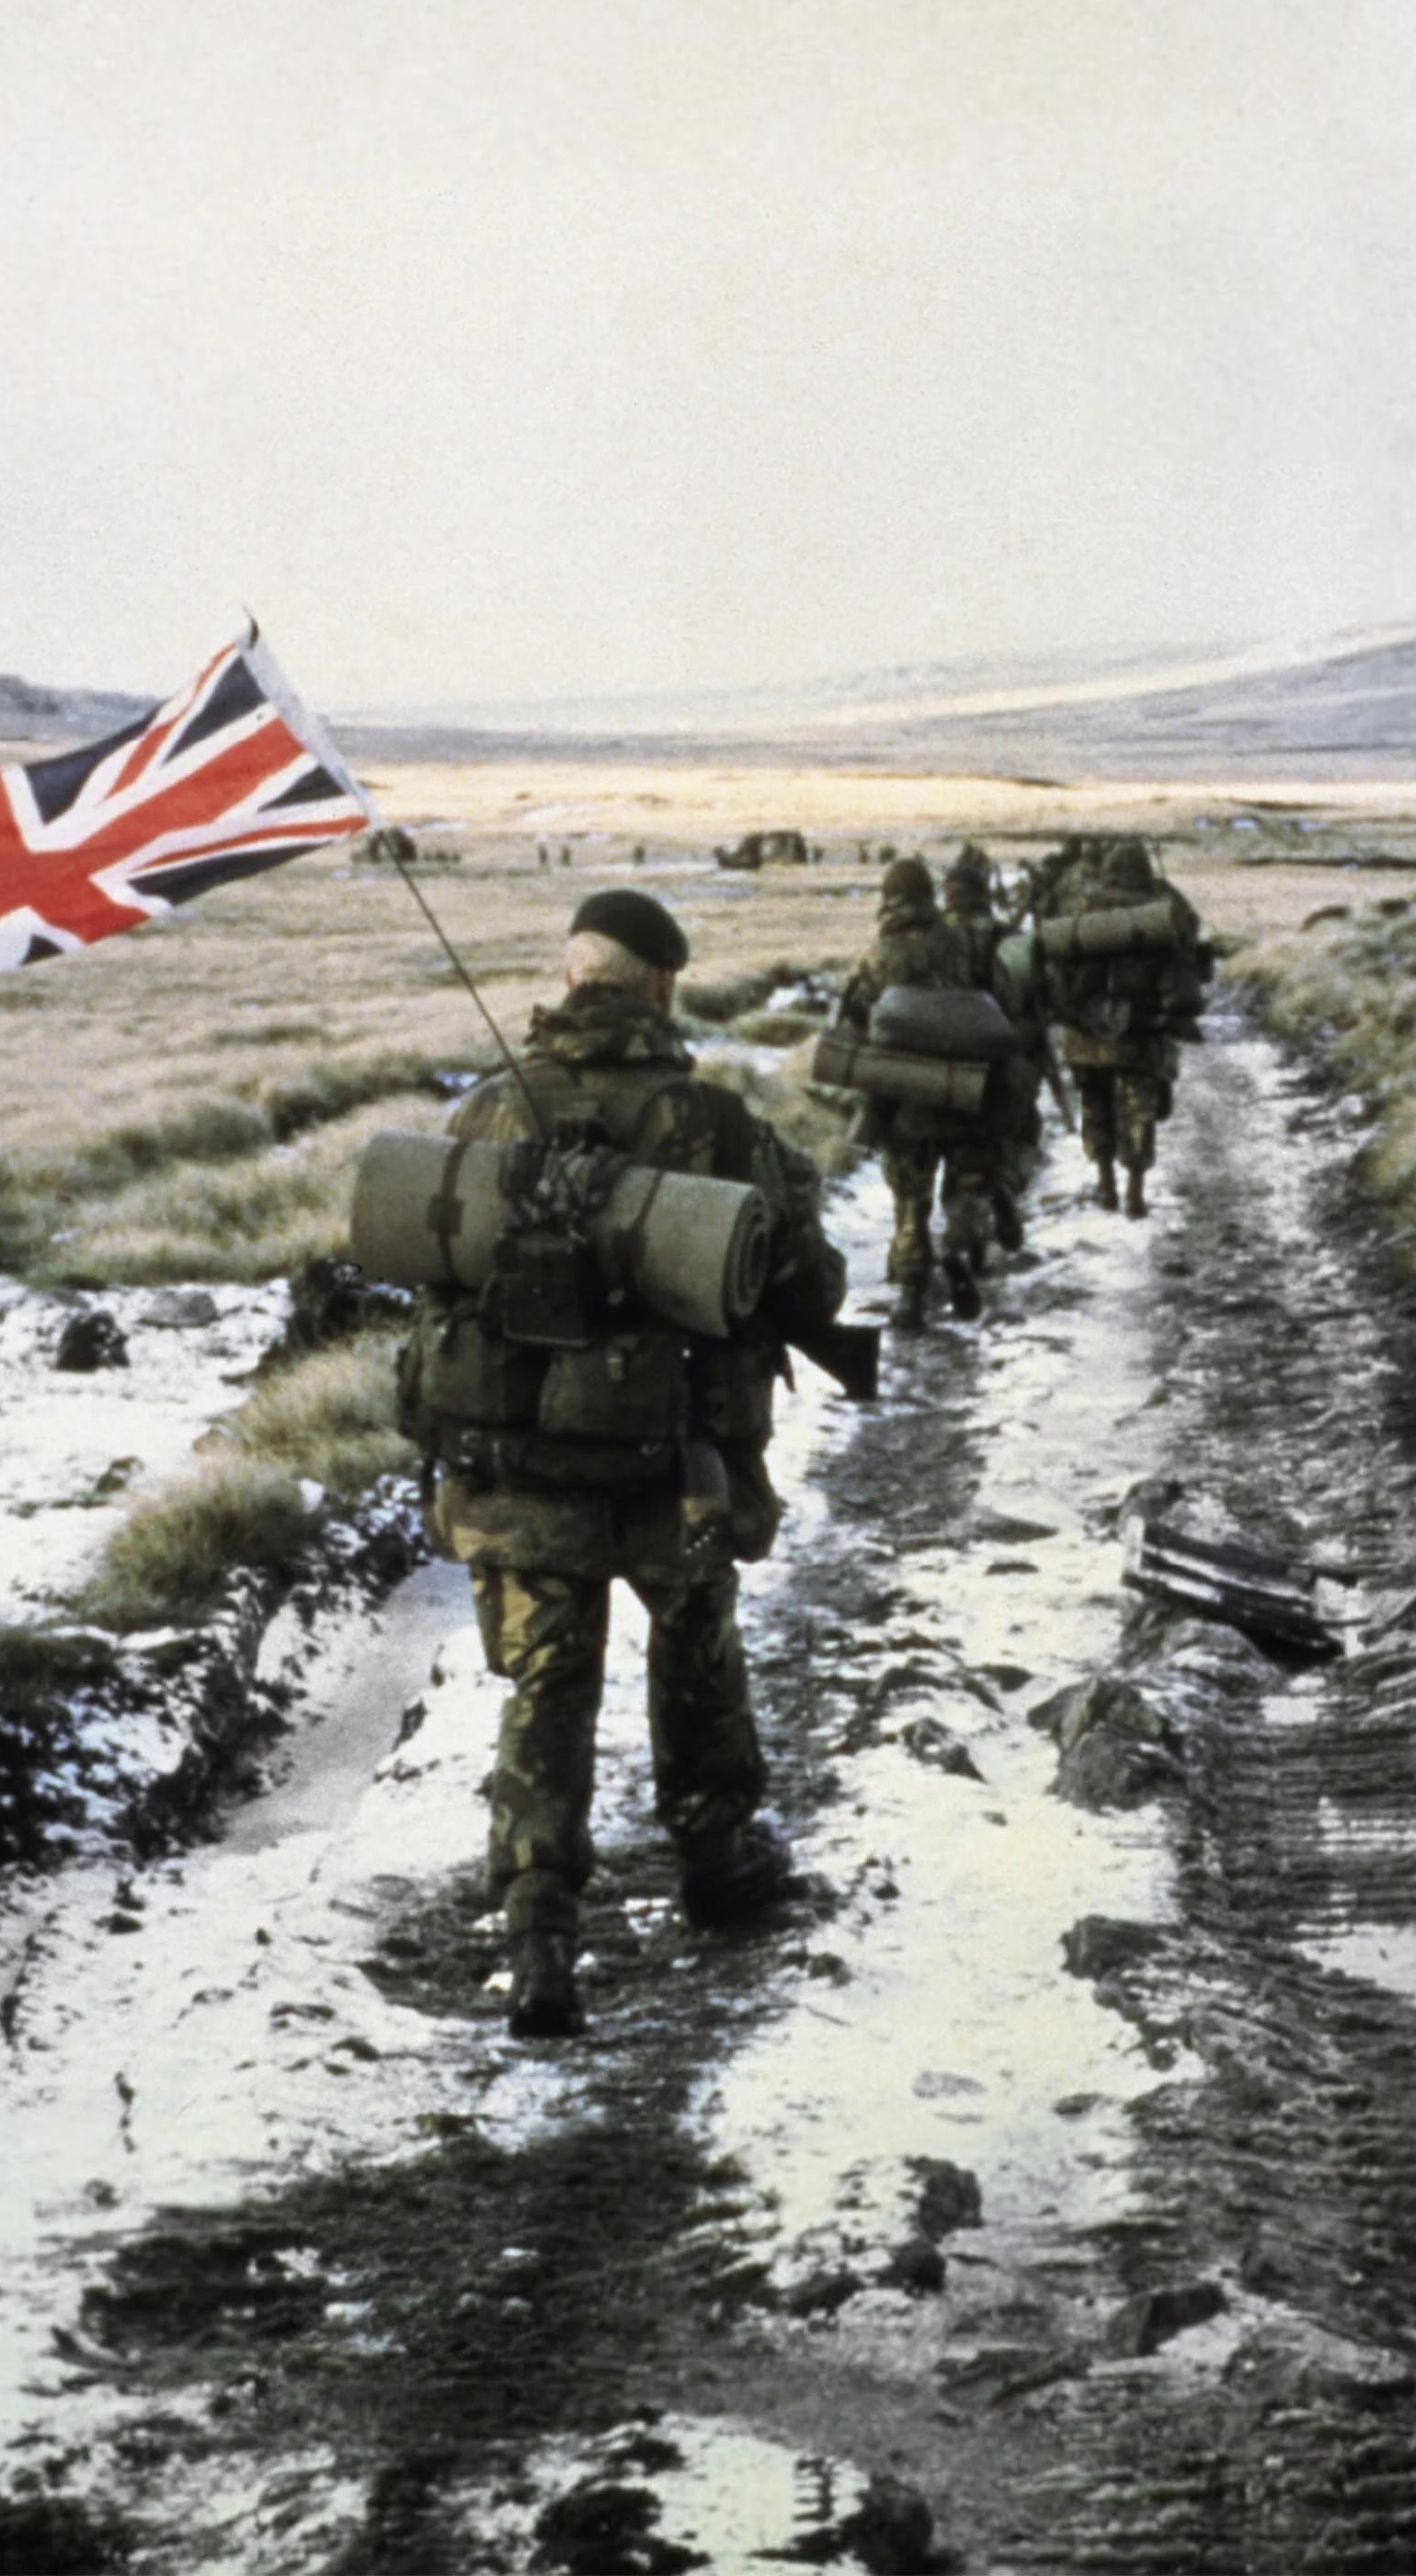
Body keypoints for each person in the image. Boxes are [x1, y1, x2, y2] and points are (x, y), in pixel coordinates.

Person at [399, 889, 849, 2038]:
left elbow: (438, 1281)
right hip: (679, 1467)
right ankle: (715, 1857)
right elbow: (810, 1288)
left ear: (568, 981)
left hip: (520, 1469)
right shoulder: (720, 1122)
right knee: (695, 1643)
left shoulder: (485, 1113)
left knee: (548, 1679)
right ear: (660, 987)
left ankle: (542, 1922)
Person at [836, 855, 980, 1331]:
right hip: (959, 1086)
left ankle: (911, 1294)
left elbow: (849, 1024)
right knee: (961, 1179)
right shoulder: (958, 944)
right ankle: (959, 1247)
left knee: (910, 1199)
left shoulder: (879, 954)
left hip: (901, 1096)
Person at [1043, 838, 1208, 1216]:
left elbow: (1057, 955)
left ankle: (1105, 1184)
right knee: (1139, 1109)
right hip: (1142, 1026)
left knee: (1095, 1104)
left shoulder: (1085, 904)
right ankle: (1135, 1191)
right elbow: (1190, 934)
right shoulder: (1162, 908)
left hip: (1087, 1031)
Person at [940, 844, 1045, 1256]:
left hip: (940, 1064)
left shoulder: (931, 940)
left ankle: (959, 1235)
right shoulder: (1008, 940)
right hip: (996, 1065)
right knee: (1020, 1132)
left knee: (955, 1152)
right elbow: (1026, 1001)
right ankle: (1003, 1188)